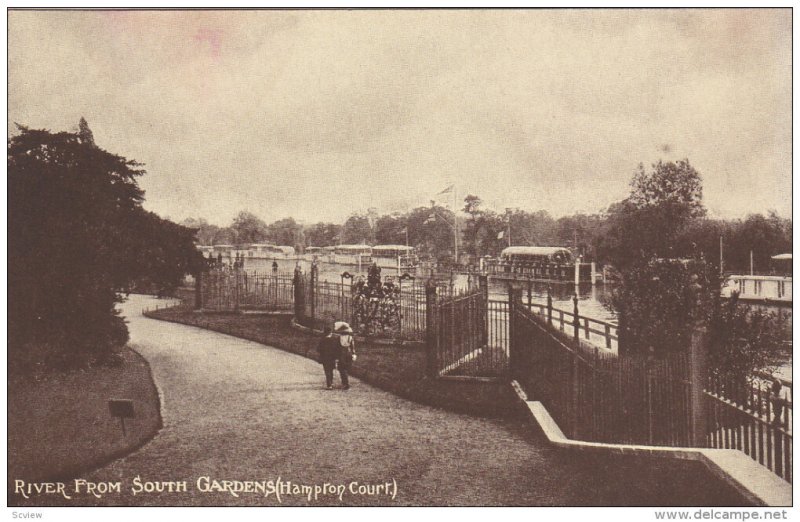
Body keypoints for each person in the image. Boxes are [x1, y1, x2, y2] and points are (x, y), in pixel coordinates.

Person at [334, 322, 356, 390]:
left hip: (342, 354)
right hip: (348, 353)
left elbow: (337, 348)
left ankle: (345, 383)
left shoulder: (339, 338)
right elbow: (353, 347)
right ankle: (345, 383)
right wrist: (353, 353)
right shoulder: (350, 338)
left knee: (341, 368)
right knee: (346, 368)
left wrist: (336, 357)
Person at [316, 325, 339, 389]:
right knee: (331, 370)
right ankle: (331, 382)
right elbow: (336, 350)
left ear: (325, 333)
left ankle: (329, 385)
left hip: (325, 358)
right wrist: (336, 357)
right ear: (330, 333)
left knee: (327, 371)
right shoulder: (334, 340)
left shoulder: (322, 340)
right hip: (332, 358)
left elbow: (318, 349)